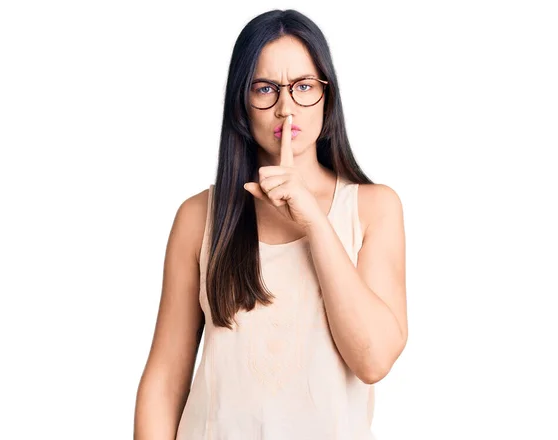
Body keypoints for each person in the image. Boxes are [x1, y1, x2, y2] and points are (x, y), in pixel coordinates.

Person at [134, 9, 407, 440]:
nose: (286, 108)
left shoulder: (374, 208)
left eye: (303, 87)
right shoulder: (199, 217)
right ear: (241, 102)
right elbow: (165, 382)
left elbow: (373, 360)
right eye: (265, 88)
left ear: (326, 95)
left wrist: (315, 221)